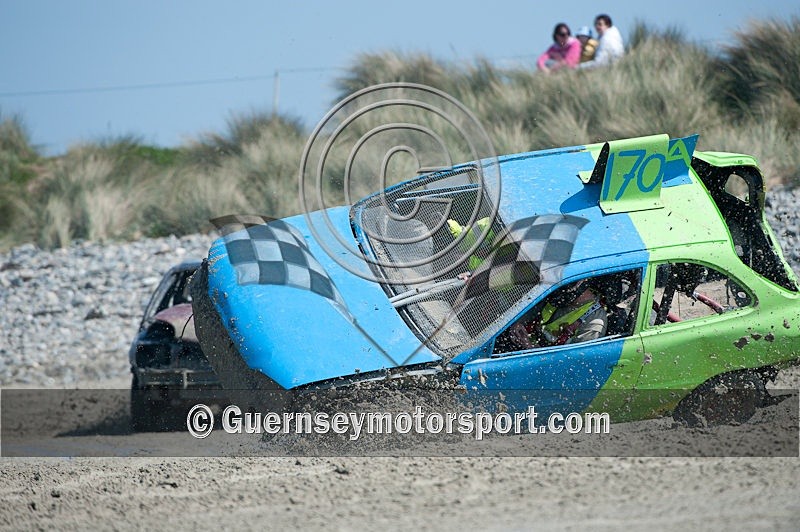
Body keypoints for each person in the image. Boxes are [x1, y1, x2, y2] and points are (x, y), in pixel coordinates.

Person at [502, 279, 607, 350]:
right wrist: (518, 322)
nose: (554, 293)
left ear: (578, 285)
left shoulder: (594, 321)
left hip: (539, 363)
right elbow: (533, 307)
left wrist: (530, 347)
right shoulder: (558, 296)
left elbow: (573, 362)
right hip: (523, 343)